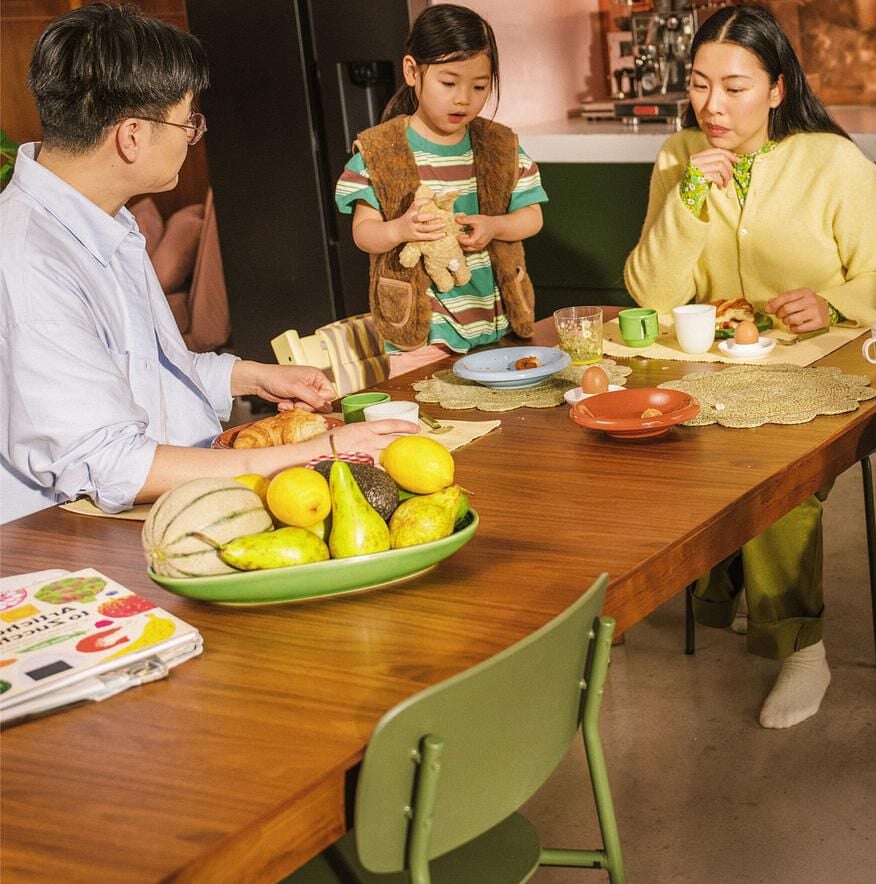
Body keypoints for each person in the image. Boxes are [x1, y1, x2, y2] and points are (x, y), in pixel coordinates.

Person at [0, 3, 415, 526]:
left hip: (168, 510)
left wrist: (248, 376)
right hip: (69, 542)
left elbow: (131, 365)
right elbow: (112, 465)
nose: (194, 137)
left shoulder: (100, 222)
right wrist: (318, 451)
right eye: (187, 121)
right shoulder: (30, 262)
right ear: (131, 136)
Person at [624, 4, 876, 729]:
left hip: (818, 368)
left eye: (734, 87)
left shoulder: (832, 162)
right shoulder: (679, 157)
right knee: (624, 438)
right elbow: (651, 294)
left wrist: (833, 302)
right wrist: (690, 199)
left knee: (772, 464)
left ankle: (801, 645)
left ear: (778, 88)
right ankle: (716, 583)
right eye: (698, 86)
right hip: (712, 367)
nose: (712, 106)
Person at [335, 3, 547, 369]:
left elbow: (532, 217)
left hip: (495, 326)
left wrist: (495, 226)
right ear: (412, 71)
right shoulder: (378, 152)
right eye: (448, 83)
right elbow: (364, 233)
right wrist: (401, 228)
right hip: (418, 337)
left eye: (479, 86)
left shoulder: (502, 147)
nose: (463, 98)